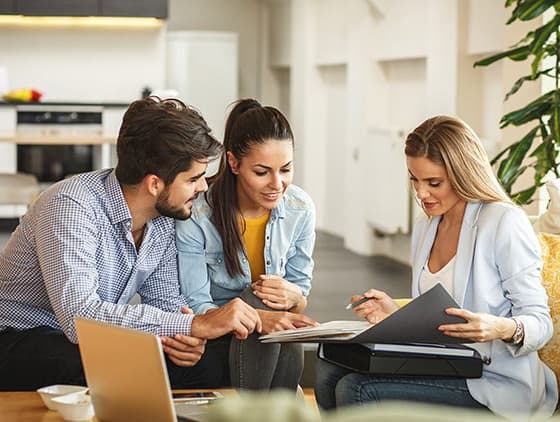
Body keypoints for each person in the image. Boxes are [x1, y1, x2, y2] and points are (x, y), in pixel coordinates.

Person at [0, 97, 262, 391]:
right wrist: (194, 325)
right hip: (18, 337)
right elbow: (80, 317)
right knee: (115, 365)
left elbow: (165, 302)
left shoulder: (162, 218)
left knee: (208, 362)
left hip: (87, 340)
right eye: (193, 179)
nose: (202, 187)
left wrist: (184, 339)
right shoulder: (71, 205)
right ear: (154, 184)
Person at [314, 115, 558, 417]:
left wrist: (500, 328)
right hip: (443, 366)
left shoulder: (503, 223)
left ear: (463, 174)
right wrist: (396, 313)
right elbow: (440, 316)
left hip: (493, 381)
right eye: (414, 179)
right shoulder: (427, 226)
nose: (420, 193)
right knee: (328, 371)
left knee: (357, 389)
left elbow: (540, 323)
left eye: (433, 183)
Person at [176, 98, 317, 390]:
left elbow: (300, 293)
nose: (277, 184)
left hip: (271, 335)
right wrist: (258, 316)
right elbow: (195, 303)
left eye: (286, 169)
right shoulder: (199, 215)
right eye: (262, 172)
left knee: (275, 307)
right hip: (219, 333)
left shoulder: (300, 208)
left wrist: (294, 298)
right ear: (234, 162)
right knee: (256, 299)